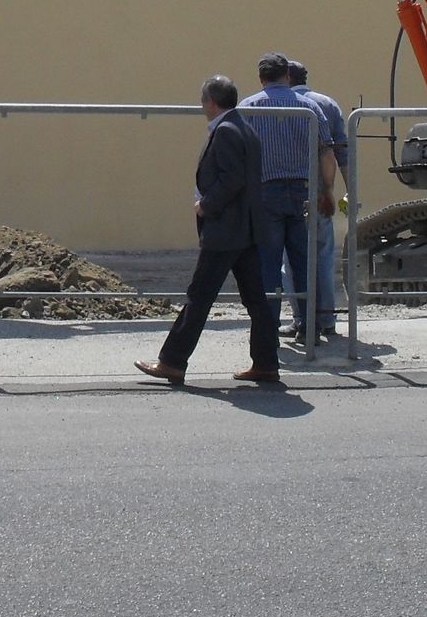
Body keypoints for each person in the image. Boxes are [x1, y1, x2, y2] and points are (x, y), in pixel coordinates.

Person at [135, 75, 281, 385]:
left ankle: (172, 362)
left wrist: (206, 205)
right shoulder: (244, 127)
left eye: (203, 101)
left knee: (198, 297)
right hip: (247, 230)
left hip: (226, 231)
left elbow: (232, 179)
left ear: (211, 102)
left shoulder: (227, 131)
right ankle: (267, 363)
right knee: (256, 300)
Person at [238, 52, 334, 343]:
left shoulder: (249, 107)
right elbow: (327, 153)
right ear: (287, 76)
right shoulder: (309, 107)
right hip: (302, 191)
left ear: (261, 78)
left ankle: (268, 328)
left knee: (268, 263)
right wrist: (326, 191)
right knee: (304, 262)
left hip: (265, 193)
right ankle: (310, 328)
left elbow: (238, 154)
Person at [286, 60, 346, 339]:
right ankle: (327, 319)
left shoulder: (279, 103)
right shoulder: (328, 104)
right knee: (323, 255)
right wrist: (346, 189)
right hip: (322, 192)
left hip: (289, 193)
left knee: (291, 259)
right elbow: (341, 152)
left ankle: (302, 319)